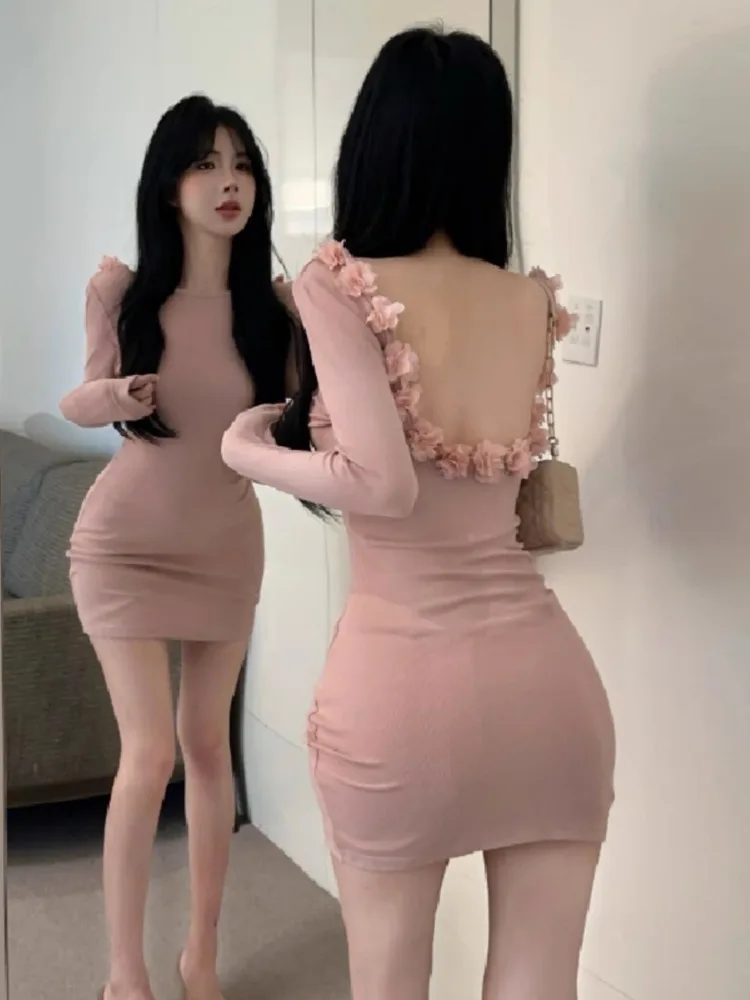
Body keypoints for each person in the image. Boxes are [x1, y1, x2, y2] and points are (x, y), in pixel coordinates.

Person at [221, 25, 615, 1000]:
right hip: (548, 690)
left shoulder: (337, 283)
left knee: (390, 978)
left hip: (400, 697)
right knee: (540, 983)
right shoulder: (528, 300)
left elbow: (383, 484)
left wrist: (245, 449)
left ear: (374, 143)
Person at [59, 94, 299, 1000]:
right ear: (169, 186)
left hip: (226, 547)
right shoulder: (125, 294)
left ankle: (201, 955)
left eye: (241, 163)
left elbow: (302, 421)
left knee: (207, 744)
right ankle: (126, 974)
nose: (228, 180)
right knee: (151, 751)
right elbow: (79, 397)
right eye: (204, 163)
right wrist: (117, 395)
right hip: (121, 547)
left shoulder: (273, 311)